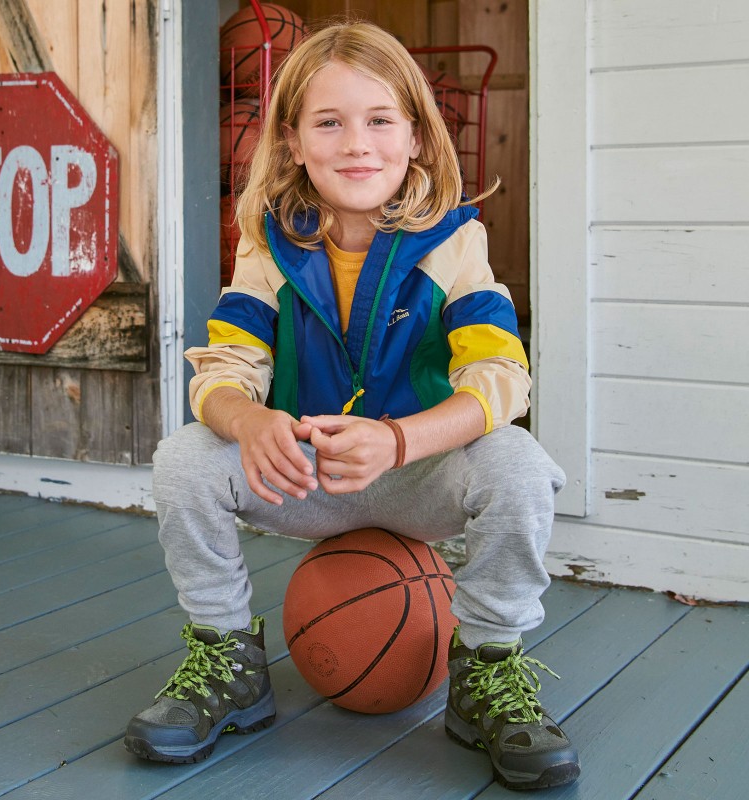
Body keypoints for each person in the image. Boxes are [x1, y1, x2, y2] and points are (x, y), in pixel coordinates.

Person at [123, 20, 580, 791]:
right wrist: (251, 419)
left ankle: (488, 669)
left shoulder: (452, 241)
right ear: (294, 142)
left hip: (418, 474)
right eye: (328, 122)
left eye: (378, 120)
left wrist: (400, 441)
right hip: (304, 476)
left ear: (416, 137)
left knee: (520, 464)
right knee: (185, 460)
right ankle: (228, 660)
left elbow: (502, 378)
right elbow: (223, 369)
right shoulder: (269, 245)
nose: (355, 143)